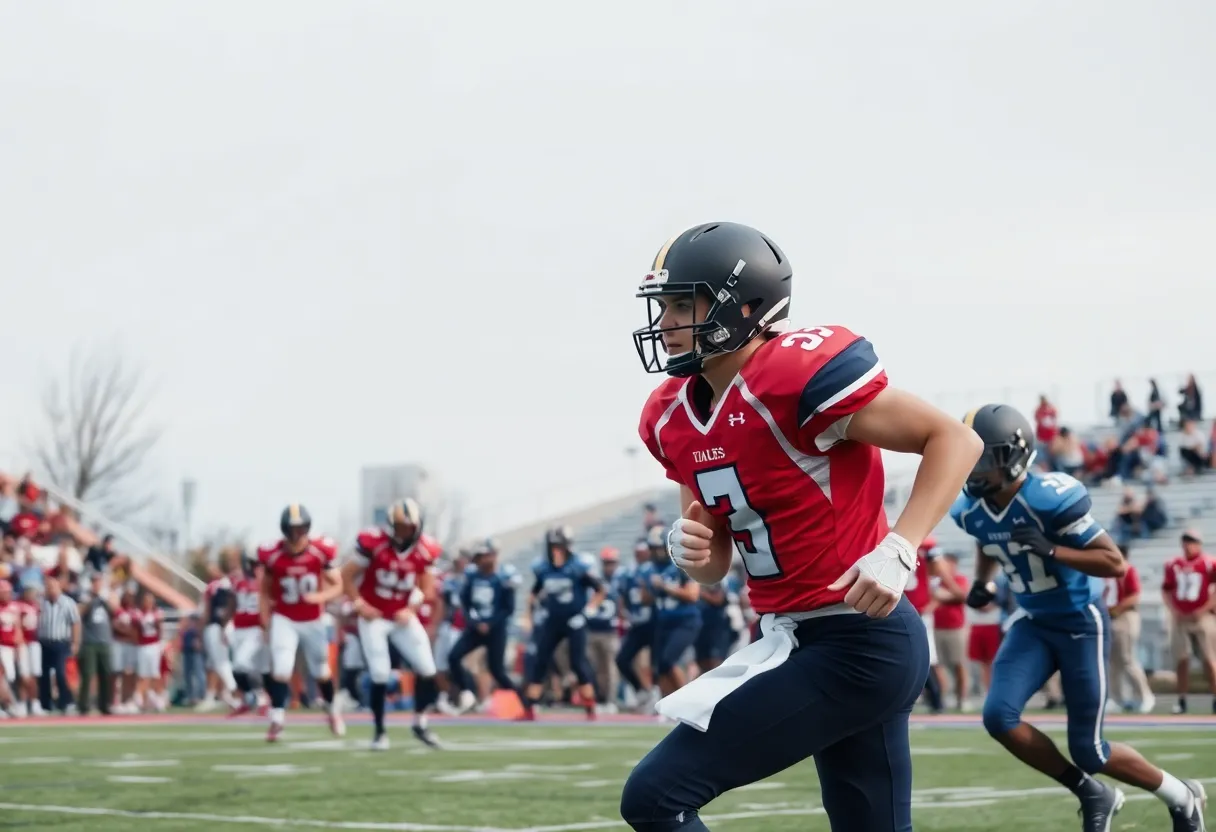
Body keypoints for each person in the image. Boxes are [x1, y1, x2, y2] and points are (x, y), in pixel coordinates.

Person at [619, 221, 983, 832]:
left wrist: (900, 545)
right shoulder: (669, 414)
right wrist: (693, 552)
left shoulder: (795, 375)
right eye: (666, 306)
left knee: (655, 796)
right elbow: (713, 566)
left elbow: (954, 438)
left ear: (745, 305)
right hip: (799, 636)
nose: (668, 321)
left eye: (685, 304)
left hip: (859, 639)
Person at [954, 403, 1206, 832]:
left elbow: (1113, 562)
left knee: (1091, 749)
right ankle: (1092, 792)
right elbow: (986, 539)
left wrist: (1051, 549)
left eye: (983, 457)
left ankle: (1182, 796)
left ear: (1013, 456)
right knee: (998, 716)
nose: (973, 468)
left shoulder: (1048, 498)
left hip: (1078, 622)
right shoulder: (970, 509)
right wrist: (983, 582)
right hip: (1033, 622)